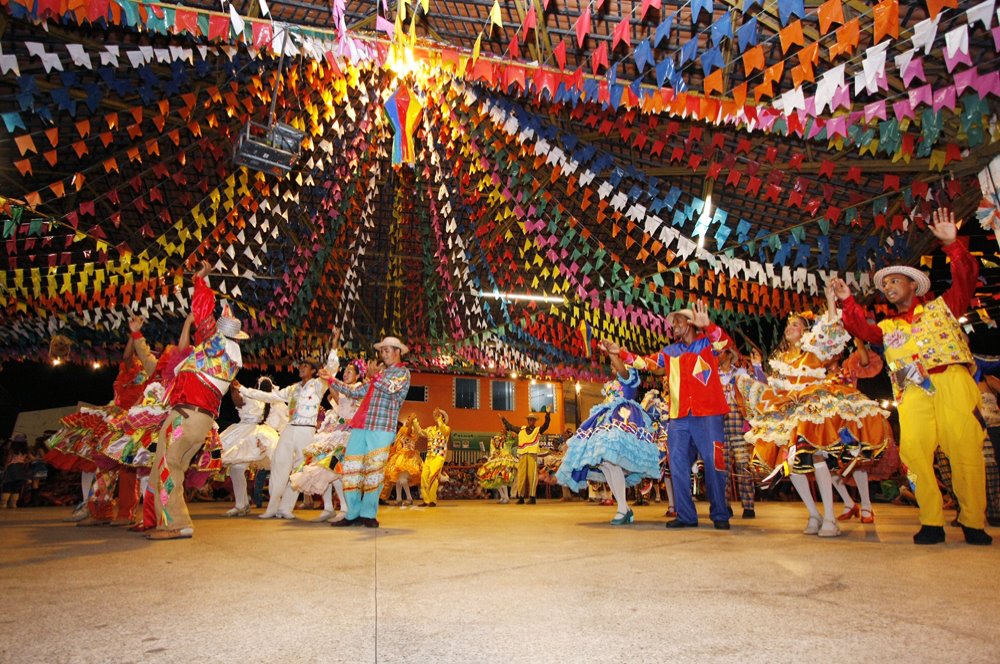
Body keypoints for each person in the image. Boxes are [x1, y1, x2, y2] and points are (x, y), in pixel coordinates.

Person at [833, 206, 991, 546]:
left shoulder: (943, 307)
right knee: (914, 454)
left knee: (965, 451)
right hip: (910, 388)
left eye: (894, 281)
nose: (888, 287)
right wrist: (847, 302)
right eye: (884, 284)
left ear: (912, 285)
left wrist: (952, 245)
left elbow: (966, 277)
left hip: (952, 381)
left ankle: (972, 520)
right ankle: (931, 519)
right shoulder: (887, 326)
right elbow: (860, 329)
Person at [738, 285, 890, 538]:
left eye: (795, 325)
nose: (790, 328)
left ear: (805, 331)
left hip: (813, 409)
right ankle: (813, 513)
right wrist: (755, 375)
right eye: (788, 325)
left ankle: (830, 517)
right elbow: (774, 388)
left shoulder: (813, 350)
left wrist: (831, 301)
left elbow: (831, 332)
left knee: (818, 456)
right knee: (791, 464)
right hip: (791, 410)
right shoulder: (781, 361)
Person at [145, 260, 245, 540]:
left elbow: (202, 313)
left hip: (186, 417)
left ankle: (175, 524)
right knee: (169, 467)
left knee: (168, 467)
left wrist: (200, 281)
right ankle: (164, 519)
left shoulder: (218, 347)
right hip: (199, 420)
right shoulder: (229, 356)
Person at [649, 302, 735, 530]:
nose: (674, 325)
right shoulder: (670, 352)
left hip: (708, 414)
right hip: (679, 417)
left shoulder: (707, 344)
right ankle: (686, 515)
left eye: (678, 320)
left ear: (690, 324)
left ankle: (720, 513)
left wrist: (709, 326)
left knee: (714, 462)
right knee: (676, 463)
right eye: (673, 322)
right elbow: (645, 362)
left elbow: (725, 344)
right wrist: (621, 354)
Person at [556, 341, 659, 524]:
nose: (614, 363)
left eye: (619, 358)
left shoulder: (630, 374)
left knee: (611, 461)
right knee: (605, 464)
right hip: (607, 418)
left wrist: (614, 354)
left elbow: (622, 370)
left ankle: (622, 509)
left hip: (623, 418)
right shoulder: (615, 381)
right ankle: (624, 508)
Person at [321, 335, 411, 528]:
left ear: (398, 352)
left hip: (382, 427)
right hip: (361, 424)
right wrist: (331, 380)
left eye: (387, 350)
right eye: (382, 351)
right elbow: (355, 392)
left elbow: (391, 388)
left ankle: (368, 513)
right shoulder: (379, 375)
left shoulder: (402, 373)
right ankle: (352, 513)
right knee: (351, 469)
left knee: (374, 470)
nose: (383, 354)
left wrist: (375, 376)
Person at [242, 352, 334, 520]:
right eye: (301, 365)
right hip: (290, 428)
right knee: (279, 464)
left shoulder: (318, 385)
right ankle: (272, 508)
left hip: (307, 430)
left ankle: (286, 508)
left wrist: (333, 348)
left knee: (299, 469)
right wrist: (244, 390)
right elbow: (270, 396)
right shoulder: (293, 388)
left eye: (305, 366)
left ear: (314, 371)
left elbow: (332, 369)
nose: (301, 368)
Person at [292, 357, 367, 521]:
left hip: (349, 433)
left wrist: (331, 379)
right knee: (322, 465)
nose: (345, 374)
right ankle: (328, 507)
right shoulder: (344, 389)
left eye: (349, 372)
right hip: (336, 429)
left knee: (336, 469)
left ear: (358, 375)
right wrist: (329, 380)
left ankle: (345, 508)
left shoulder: (358, 388)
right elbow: (339, 400)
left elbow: (347, 398)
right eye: (344, 371)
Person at [219, 377, 286, 517]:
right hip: (245, 433)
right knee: (236, 470)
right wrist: (234, 388)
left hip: (258, 435)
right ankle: (242, 505)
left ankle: (277, 506)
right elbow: (238, 401)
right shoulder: (252, 397)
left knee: (274, 471)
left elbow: (282, 422)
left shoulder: (273, 403)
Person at [718, 347, 756, 519]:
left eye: (721, 352)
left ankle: (748, 505)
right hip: (719, 425)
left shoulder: (740, 373)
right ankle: (725, 505)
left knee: (743, 465)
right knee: (722, 467)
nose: (718, 355)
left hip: (738, 424)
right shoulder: (713, 375)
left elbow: (751, 393)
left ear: (728, 355)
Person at [501, 410, 551, 504]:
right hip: (522, 454)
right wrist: (504, 420)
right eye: (530, 419)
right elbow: (511, 427)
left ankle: (532, 497)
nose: (531, 421)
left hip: (532, 454)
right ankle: (521, 497)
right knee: (521, 475)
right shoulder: (521, 429)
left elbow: (546, 425)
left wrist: (547, 414)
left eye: (533, 419)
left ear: (535, 421)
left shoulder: (538, 430)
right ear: (528, 421)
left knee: (532, 475)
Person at [382, 413, 423, 507]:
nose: (408, 421)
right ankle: (399, 499)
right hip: (400, 456)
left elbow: (409, 432)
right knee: (398, 480)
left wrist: (412, 421)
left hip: (408, 457)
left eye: (410, 420)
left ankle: (409, 498)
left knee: (403, 480)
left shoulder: (414, 432)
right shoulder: (403, 429)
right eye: (408, 419)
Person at [416, 408, 451, 507]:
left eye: (439, 416)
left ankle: (432, 500)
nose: (436, 417)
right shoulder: (430, 429)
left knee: (433, 476)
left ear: (443, 418)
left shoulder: (446, 429)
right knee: (424, 477)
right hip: (429, 456)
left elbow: (444, 431)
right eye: (436, 415)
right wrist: (414, 421)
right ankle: (426, 500)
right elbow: (420, 432)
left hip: (438, 456)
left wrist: (439, 418)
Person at [477, 433, 518, 503]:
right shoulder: (497, 450)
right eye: (495, 441)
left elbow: (512, 440)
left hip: (506, 464)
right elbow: (493, 458)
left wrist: (510, 435)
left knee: (502, 480)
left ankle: (506, 497)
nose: (497, 442)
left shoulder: (506, 444)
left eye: (498, 441)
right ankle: (503, 497)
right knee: (496, 481)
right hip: (499, 465)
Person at [1, 434, 31, 508]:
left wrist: (5, 469)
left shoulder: (12, 449)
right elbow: (32, 458)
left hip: (12, 467)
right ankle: (13, 504)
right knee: (16, 488)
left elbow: (8, 460)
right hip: (21, 468)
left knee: (7, 486)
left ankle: (3, 504)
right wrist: (24, 461)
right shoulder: (26, 450)